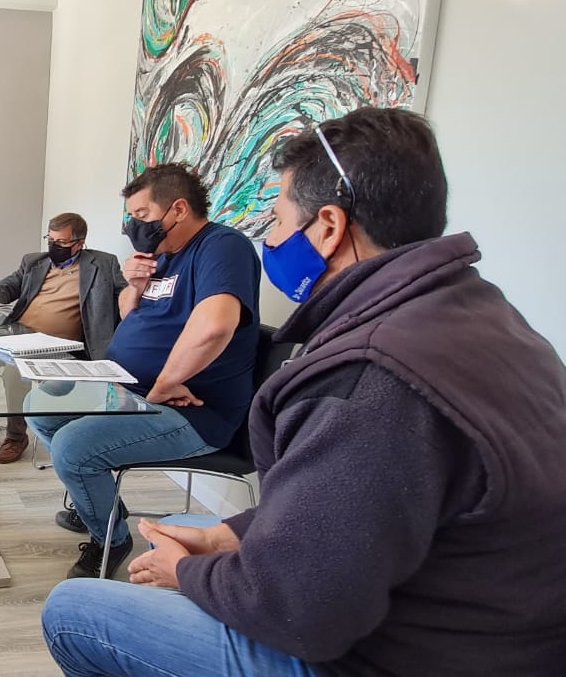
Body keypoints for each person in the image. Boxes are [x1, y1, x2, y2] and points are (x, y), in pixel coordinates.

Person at [42, 107, 566, 676]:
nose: (271, 239)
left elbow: (299, 613)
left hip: (394, 654)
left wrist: (187, 573)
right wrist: (222, 539)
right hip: (463, 613)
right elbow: (344, 513)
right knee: (188, 528)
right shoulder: (483, 316)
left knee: (73, 611)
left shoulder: (372, 379)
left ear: (330, 227)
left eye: (278, 221)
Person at [27, 164, 261, 579]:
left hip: (193, 411)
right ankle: (98, 504)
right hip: (132, 391)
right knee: (39, 405)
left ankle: (111, 539)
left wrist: (166, 383)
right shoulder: (163, 255)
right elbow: (128, 315)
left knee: (72, 448)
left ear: (178, 209)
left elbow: (215, 326)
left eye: (141, 215)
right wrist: (134, 285)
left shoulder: (223, 247)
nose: (134, 225)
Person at [0, 212, 127, 463]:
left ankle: (16, 437)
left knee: (14, 372)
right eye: (51, 239)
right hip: (19, 334)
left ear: (79, 243)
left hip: (60, 344)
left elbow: (126, 299)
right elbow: (9, 286)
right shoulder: (34, 261)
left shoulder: (103, 264)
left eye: (62, 242)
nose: (54, 246)